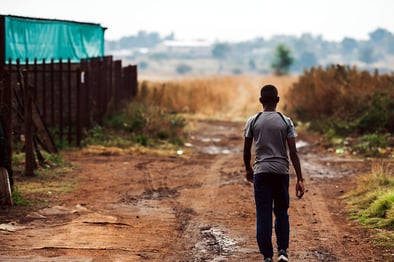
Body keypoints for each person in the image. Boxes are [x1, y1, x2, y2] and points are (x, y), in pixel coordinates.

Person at [243, 84, 305, 262]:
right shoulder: (286, 121)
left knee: (263, 214)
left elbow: (246, 151)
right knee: (281, 212)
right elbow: (293, 152)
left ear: (261, 101)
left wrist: (248, 169)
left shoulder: (253, 121)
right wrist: (299, 178)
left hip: (261, 172)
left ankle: (267, 257)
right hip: (281, 173)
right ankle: (283, 252)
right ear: (277, 100)